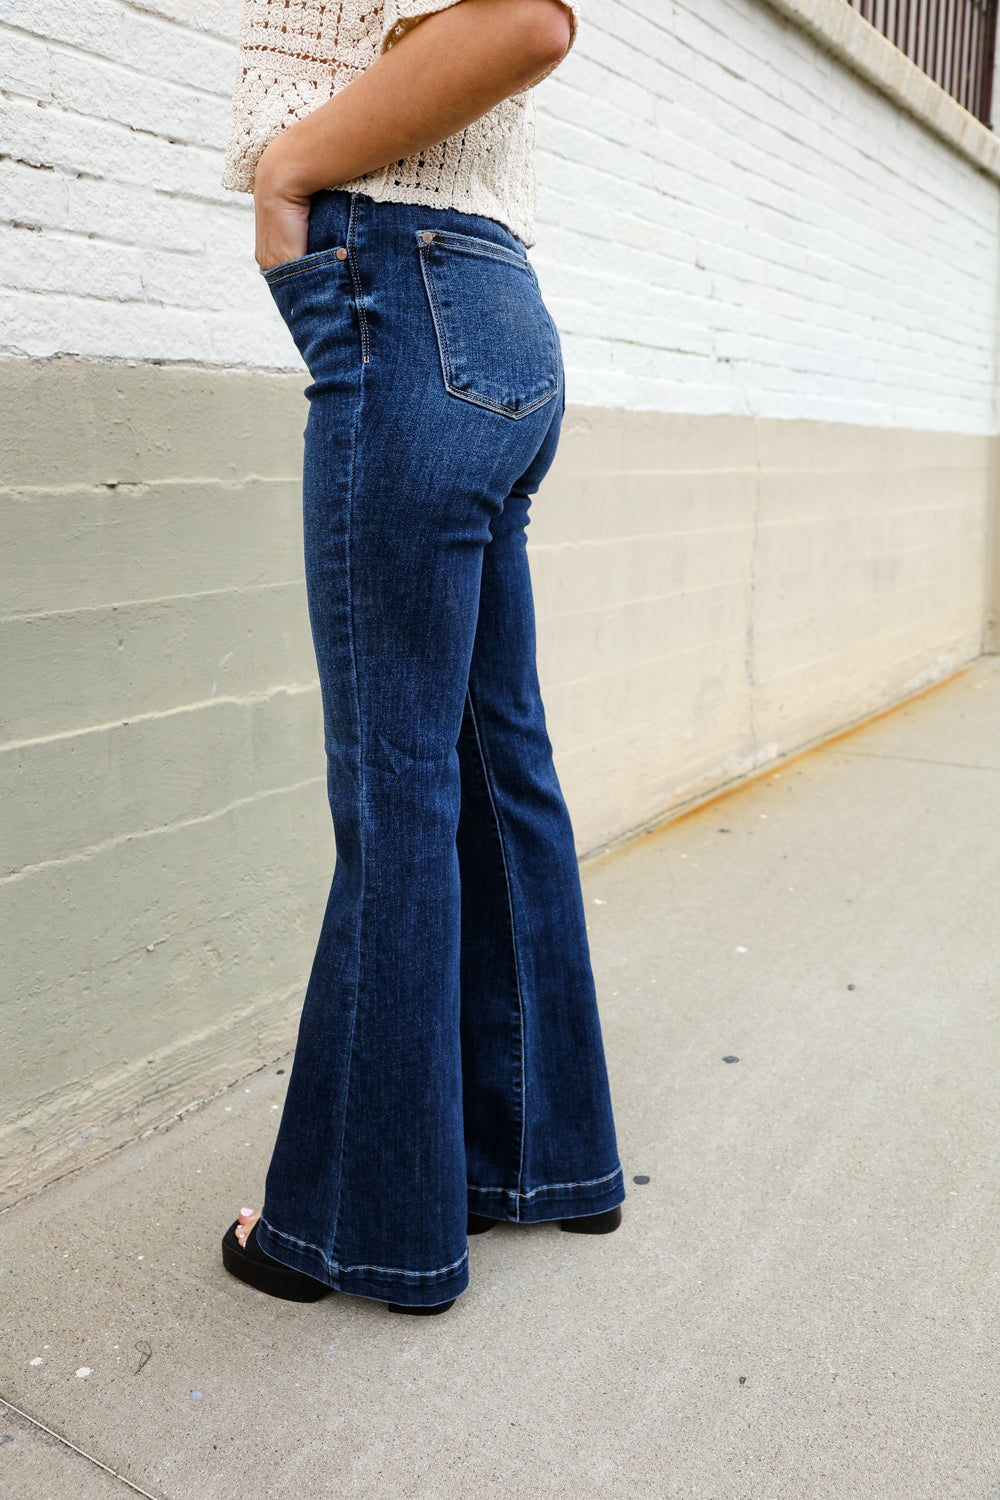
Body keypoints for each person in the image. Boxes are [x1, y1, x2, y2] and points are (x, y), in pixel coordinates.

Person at [219, 0, 623, 1315]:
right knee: (500, 763)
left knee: (397, 787)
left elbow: (528, 23)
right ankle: (544, 1159)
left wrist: (289, 171)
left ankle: (355, 1227)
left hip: (404, 296)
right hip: (494, 307)